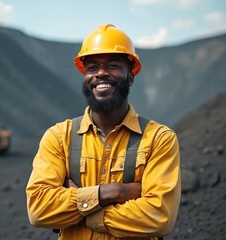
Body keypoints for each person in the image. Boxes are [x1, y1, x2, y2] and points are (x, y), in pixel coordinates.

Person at [26, 24, 181, 240]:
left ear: (131, 77)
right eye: (92, 68)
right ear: (85, 78)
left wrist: (80, 206)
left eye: (113, 65)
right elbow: (38, 209)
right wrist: (115, 192)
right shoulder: (59, 137)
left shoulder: (159, 139)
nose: (100, 73)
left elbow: (159, 217)